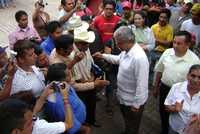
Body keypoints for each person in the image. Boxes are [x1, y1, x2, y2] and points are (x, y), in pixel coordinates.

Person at [93, 26, 149, 134]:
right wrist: (103, 56)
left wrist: (136, 104)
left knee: (133, 125)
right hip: (124, 97)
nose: (117, 46)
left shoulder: (139, 58)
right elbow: (118, 59)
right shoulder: (126, 51)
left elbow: (142, 84)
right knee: (128, 122)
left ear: (128, 41)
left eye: (119, 43)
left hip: (132, 101)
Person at [153, 31, 200, 134]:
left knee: (180, 114)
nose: (175, 45)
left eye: (179, 43)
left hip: (182, 93)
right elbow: (159, 70)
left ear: (187, 44)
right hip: (165, 88)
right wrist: (155, 86)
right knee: (163, 111)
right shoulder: (167, 52)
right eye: (174, 42)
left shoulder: (194, 60)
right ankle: (165, 130)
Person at [0, 84, 73, 134]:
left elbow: (33, 114)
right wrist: (65, 97)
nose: (34, 122)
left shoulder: (18, 122)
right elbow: (68, 124)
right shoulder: (39, 128)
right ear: (16, 132)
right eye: (29, 123)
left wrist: (43, 96)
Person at [45, 63, 91, 134]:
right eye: (68, 75)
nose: (71, 76)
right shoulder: (57, 102)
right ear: (59, 81)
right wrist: (85, 130)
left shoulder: (64, 86)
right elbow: (70, 126)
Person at [164, 64, 200, 134]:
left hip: (193, 131)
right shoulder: (176, 87)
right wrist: (174, 109)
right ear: (187, 75)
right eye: (193, 76)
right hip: (175, 128)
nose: (195, 80)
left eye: (199, 77)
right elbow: (166, 106)